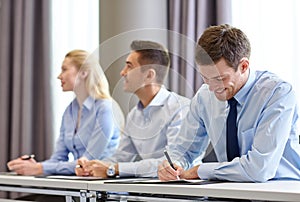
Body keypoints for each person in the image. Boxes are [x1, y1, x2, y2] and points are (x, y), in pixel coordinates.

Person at [158, 24, 300, 182]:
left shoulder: (277, 93)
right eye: (205, 77)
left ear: (243, 66)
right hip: (229, 190)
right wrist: (172, 165)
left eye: (220, 79)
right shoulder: (204, 97)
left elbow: (259, 169)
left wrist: (201, 170)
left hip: (281, 190)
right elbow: (183, 150)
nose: (211, 87)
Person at [75, 40, 190, 178]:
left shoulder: (180, 109)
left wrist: (113, 169)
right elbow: (121, 157)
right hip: (147, 192)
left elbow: (171, 163)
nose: (122, 72)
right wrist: (92, 167)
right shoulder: (134, 115)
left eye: (129, 66)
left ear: (149, 75)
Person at [7, 49, 122, 176]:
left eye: (64, 69)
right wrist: (32, 166)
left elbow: (87, 163)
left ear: (83, 72)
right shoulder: (69, 111)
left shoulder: (105, 109)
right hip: (77, 186)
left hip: (103, 189)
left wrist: (41, 168)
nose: (59, 76)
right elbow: (58, 158)